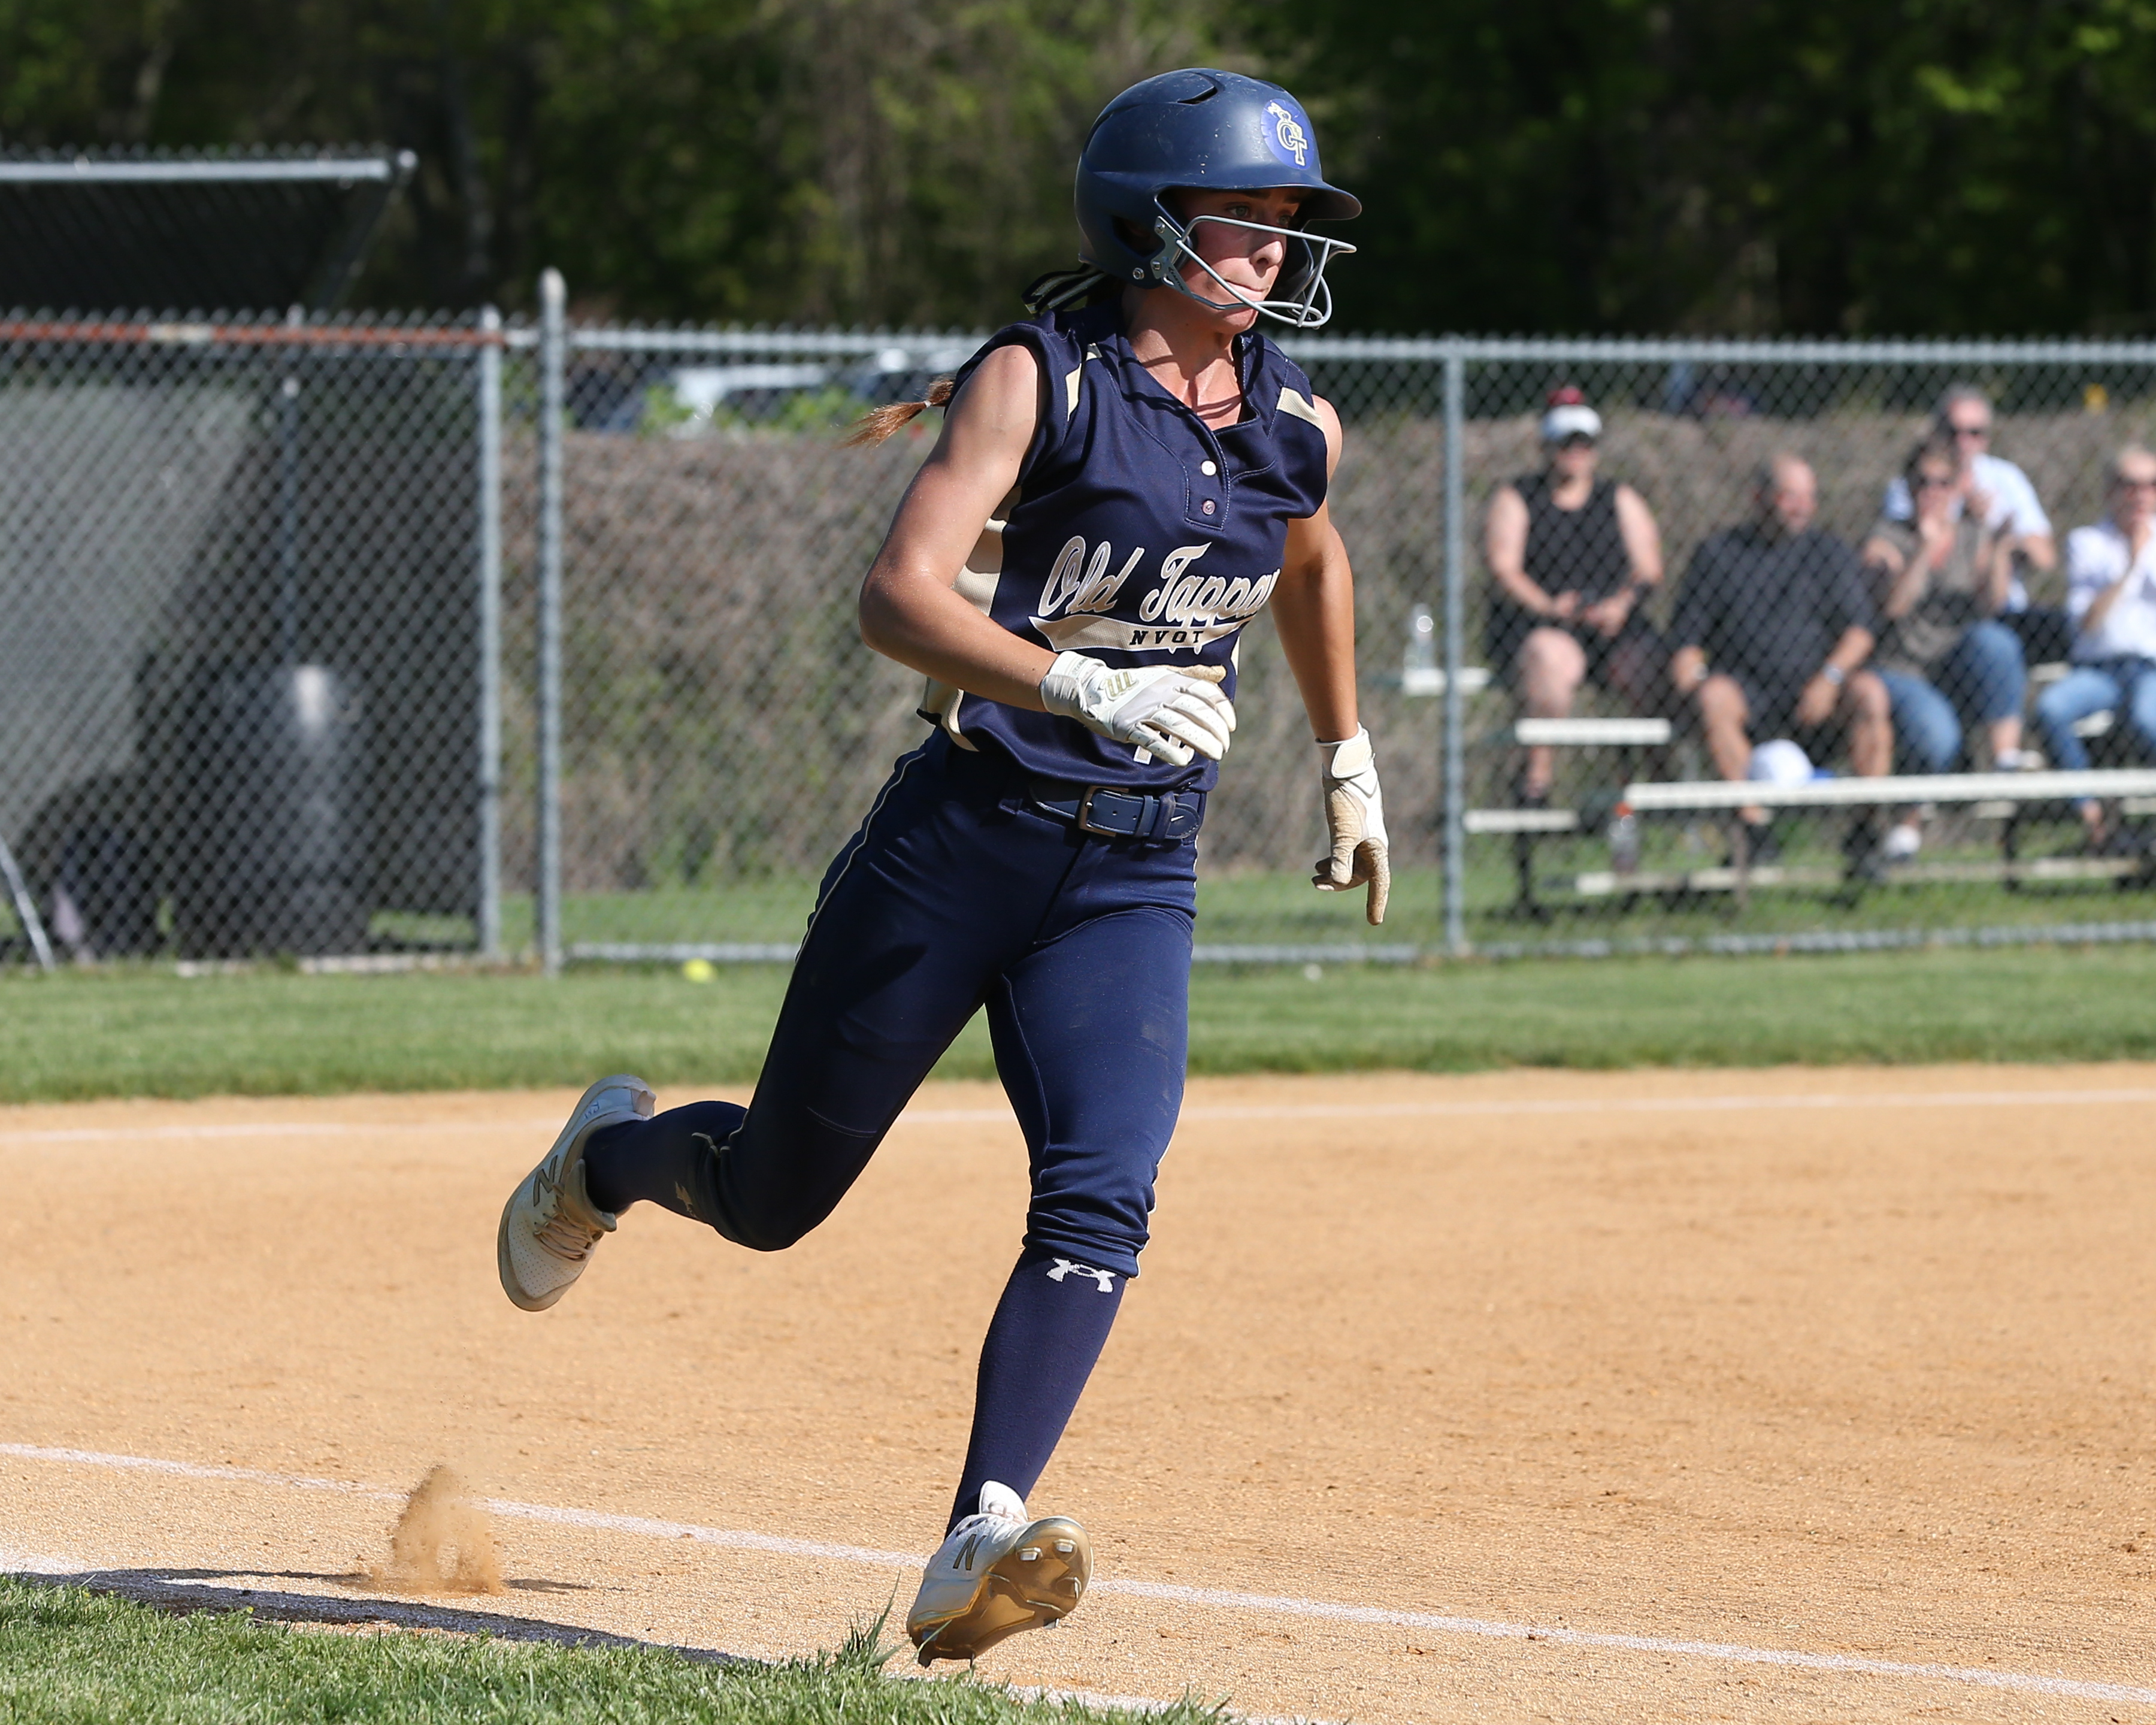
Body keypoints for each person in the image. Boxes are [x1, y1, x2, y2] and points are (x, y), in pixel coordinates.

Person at [494, 68, 1386, 1668]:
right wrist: (1075, 680)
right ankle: (609, 1161)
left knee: (1105, 1196)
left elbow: (1311, 557)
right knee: (772, 1199)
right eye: (1242, 214)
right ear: (1149, 223)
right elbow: (898, 595)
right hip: (961, 842)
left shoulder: (1296, 424)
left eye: (1288, 219)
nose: (1273, 244)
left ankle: (981, 1528)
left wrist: (1345, 752)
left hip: (1133, 875)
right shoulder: (1037, 380)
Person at [1670, 453, 1891, 866]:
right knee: (1714, 697)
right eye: (1790, 496)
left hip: (1817, 695)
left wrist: (1829, 678)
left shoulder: (1829, 553)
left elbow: (1860, 632)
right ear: (1759, 498)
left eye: (1809, 497)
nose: (1802, 506)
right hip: (1749, 696)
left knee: (1870, 693)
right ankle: (1754, 835)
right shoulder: (1718, 555)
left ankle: (1865, 836)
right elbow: (1687, 644)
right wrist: (1691, 693)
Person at [1483, 388, 1667, 804]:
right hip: (1540, 624)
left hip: (1610, 626)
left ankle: (1659, 779)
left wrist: (1619, 604)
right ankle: (1537, 782)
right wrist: (1552, 608)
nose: (1575, 452)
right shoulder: (1517, 498)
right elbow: (1504, 568)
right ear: (1546, 446)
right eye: (1566, 444)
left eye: (1584, 443)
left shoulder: (1619, 498)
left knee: (1651, 664)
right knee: (1552, 659)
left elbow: (1649, 567)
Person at [1860, 434, 2028, 858]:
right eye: (1922, 483)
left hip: (1955, 661)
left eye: (1942, 483)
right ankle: (1906, 824)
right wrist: (1925, 548)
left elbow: (1993, 604)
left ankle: (2006, 760)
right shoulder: (1886, 537)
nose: (1932, 493)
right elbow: (1894, 607)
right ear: (1908, 487)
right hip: (1901, 667)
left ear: (1957, 488)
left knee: (1998, 643)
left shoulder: (1972, 535)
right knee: (1938, 736)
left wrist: (2000, 547)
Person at [1879, 384, 2064, 662]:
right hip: (1929, 615)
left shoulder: (2007, 479)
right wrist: (1964, 521)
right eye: (1955, 432)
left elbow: (2046, 557)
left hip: (1999, 608)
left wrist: (1998, 534)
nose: (1964, 442)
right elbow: (1905, 542)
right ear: (1937, 432)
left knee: (2060, 629)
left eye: (1975, 433)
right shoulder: (1914, 484)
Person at [2033, 443, 2156, 849]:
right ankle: (2094, 821)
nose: (2140, 496)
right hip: (2100, 671)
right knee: (2050, 710)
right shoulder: (2088, 543)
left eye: (2150, 485)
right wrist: (2129, 565)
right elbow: (2087, 621)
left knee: (2147, 720)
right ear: (2110, 491)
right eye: (2130, 485)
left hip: (2151, 670)